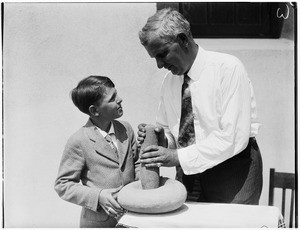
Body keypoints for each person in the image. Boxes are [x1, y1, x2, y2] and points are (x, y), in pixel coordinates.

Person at [137, 8, 263, 204]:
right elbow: (170, 132)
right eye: (155, 58)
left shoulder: (228, 69)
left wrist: (176, 157)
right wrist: (162, 140)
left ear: (183, 40)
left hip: (232, 172)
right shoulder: (169, 82)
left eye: (162, 54)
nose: (159, 65)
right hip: (189, 175)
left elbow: (232, 138)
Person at [54, 75, 140, 227]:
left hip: (133, 218)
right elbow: (63, 184)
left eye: (117, 94)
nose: (120, 99)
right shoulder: (78, 140)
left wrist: (142, 190)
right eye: (112, 98)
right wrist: (98, 196)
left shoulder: (126, 129)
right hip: (99, 223)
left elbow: (137, 163)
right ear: (94, 111)